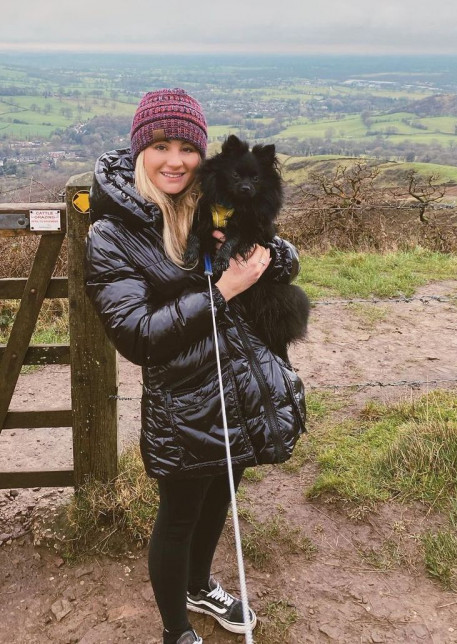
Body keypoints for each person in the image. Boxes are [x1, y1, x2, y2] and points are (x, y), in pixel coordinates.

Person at [84, 88, 307, 644]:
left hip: (239, 391)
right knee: (181, 514)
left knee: (219, 498)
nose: (175, 160)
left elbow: (278, 250)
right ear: (141, 151)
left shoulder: (210, 203)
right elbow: (137, 335)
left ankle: (200, 584)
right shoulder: (111, 233)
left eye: (187, 146)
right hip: (184, 402)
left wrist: (272, 257)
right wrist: (224, 290)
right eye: (161, 145)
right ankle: (176, 631)